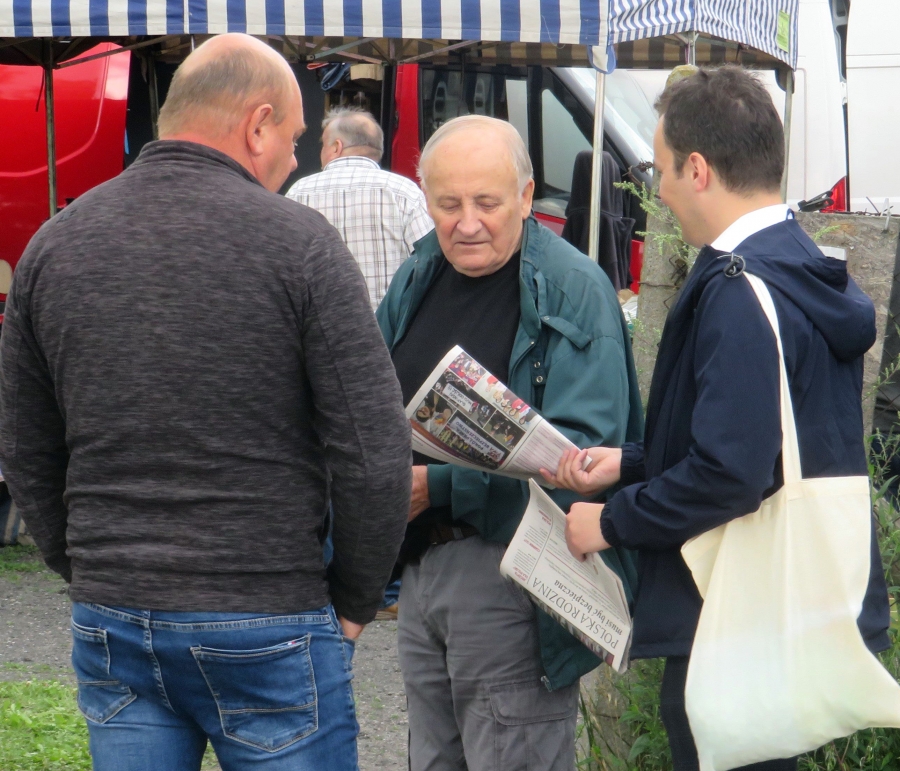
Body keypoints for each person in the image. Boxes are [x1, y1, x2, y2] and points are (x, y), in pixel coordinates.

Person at [0, 34, 411, 771]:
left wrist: (85, 562)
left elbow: (25, 445)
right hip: (267, 611)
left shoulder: (54, 246)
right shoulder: (301, 246)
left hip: (114, 612)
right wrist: (354, 601)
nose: (294, 161)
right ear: (257, 124)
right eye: (292, 140)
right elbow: (374, 452)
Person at [543, 65, 892, 771]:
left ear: (697, 169)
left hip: (725, 621)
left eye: (661, 169)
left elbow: (731, 473)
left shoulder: (739, 287)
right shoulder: (803, 266)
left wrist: (610, 520)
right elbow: (771, 441)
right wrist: (632, 462)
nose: (661, 191)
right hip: (785, 614)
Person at [376, 114, 643, 771]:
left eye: (486, 203)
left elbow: (586, 452)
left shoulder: (574, 289)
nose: (467, 223)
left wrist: (437, 484)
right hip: (421, 567)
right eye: (448, 204)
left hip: (512, 571)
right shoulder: (420, 269)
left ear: (526, 197)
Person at [286, 106, 434, 309]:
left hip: (321, 324)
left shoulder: (299, 193)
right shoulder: (404, 192)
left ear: (336, 147)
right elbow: (428, 263)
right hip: (389, 324)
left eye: (323, 145)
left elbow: (285, 267)